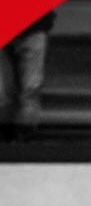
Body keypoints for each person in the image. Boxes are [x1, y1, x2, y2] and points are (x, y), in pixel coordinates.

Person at [0, 12, 54, 142]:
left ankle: (12, 135)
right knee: (29, 91)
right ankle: (22, 136)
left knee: (10, 92)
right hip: (34, 29)